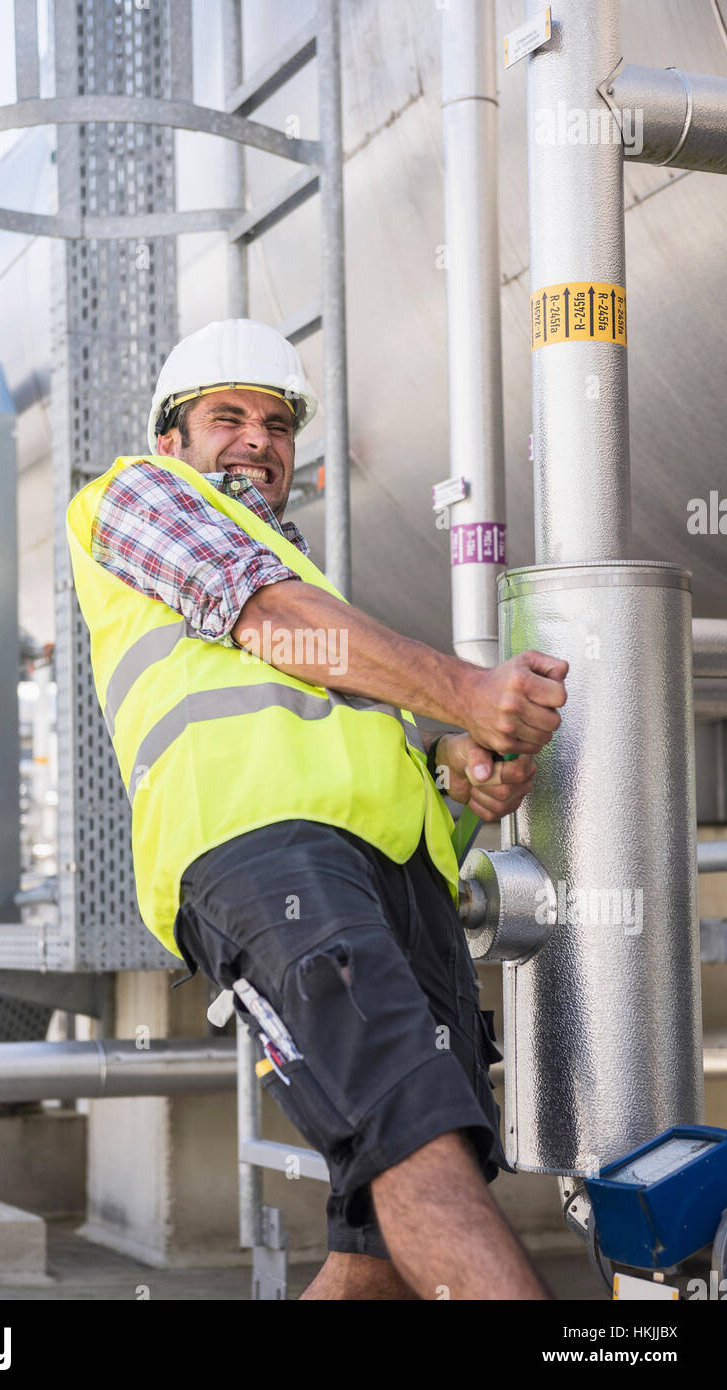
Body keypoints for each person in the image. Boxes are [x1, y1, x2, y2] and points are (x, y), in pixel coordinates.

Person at [66, 318, 568, 1299]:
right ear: (173, 439)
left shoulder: (319, 594)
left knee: (377, 1251)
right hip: (263, 860)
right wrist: (465, 691)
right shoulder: (136, 494)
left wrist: (463, 783)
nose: (258, 438)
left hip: (393, 894)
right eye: (228, 416)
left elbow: (373, 776)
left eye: (278, 422)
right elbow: (261, 617)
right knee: (415, 1143)